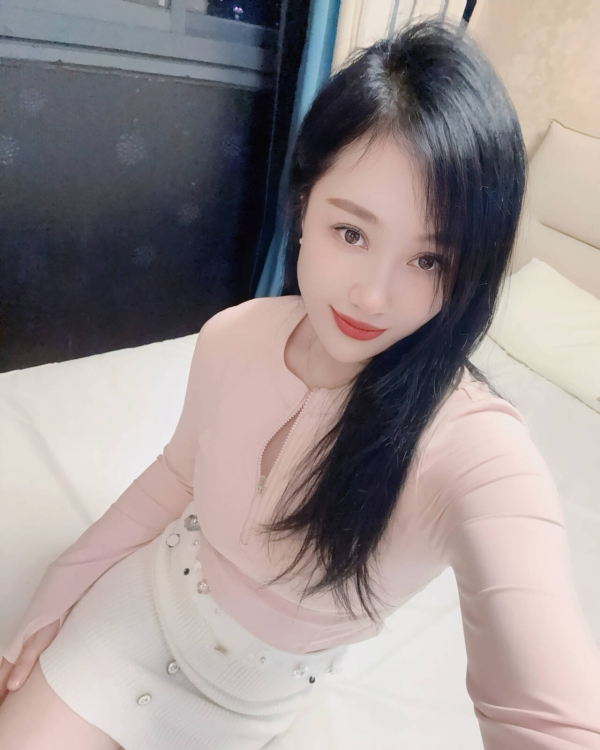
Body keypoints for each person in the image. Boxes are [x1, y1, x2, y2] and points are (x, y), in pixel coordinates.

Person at [1, 18, 599, 750]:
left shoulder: (470, 446)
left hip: (252, 708)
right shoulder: (233, 335)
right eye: (352, 233)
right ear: (306, 208)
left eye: (428, 261)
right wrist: (59, 587)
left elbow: (546, 719)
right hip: (137, 616)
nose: (372, 297)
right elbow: (174, 477)